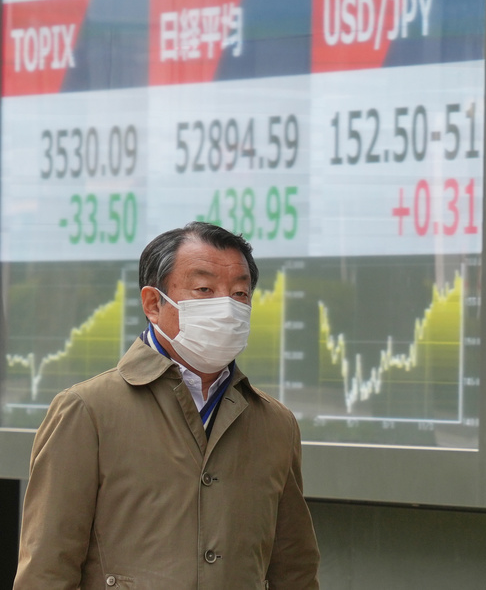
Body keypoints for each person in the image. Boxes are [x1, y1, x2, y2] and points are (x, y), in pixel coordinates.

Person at [14, 222, 320, 589]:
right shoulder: (87, 410)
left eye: (239, 294)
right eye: (204, 289)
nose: (226, 308)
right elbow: (47, 570)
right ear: (153, 303)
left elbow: (295, 569)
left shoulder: (275, 423)